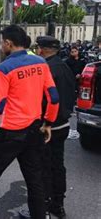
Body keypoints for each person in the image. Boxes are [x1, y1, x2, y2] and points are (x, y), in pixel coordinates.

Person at [0, 25, 59, 219]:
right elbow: (53, 97)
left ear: (9, 43)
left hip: (10, 133)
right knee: (34, 179)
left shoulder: (5, 68)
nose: (1, 46)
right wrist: (49, 123)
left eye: (2, 42)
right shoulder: (41, 63)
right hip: (34, 131)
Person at [35, 36, 76, 218]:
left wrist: (45, 124)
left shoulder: (47, 69)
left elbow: (47, 100)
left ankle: (43, 207)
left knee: (44, 166)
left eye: (37, 48)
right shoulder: (65, 67)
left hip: (48, 126)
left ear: (41, 50)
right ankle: (58, 204)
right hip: (64, 124)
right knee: (57, 165)